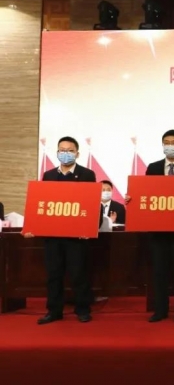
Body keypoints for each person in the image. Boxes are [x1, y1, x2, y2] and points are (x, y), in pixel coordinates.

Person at [126, 129, 174, 323]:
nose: (170, 146)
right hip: (158, 230)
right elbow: (146, 194)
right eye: (166, 142)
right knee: (159, 271)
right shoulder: (153, 168)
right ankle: (160, 310)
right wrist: (132, 200)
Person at [31, 136, 100, 325]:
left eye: (70, 150)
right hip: (53, 235)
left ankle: (82, 309)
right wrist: (34, 226)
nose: (65, 153)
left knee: (78, 274)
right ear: (57, 152)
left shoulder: (87, 174)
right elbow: (43, 203)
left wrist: (89, 228)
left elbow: (92, 204)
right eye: (62, 150)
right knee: (54, 275)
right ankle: (54, 311)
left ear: (77, 153)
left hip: (77, 236)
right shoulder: (49, 175)